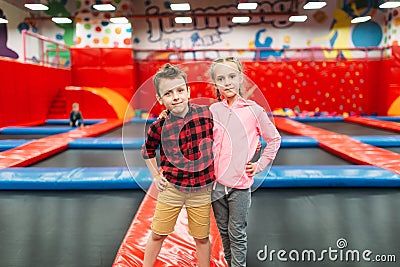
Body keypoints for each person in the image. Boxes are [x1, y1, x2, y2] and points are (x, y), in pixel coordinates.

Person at [209, 57, 281, 267]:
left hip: (240, 185)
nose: (227, 82)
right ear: (215, 83)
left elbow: (274, 138)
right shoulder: (214, 110)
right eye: (221, 78)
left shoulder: (254, 110)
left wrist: (260, 164)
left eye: (232, 76)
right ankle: (231, 263)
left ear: (240, 78)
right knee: (223, 231)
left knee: (236, 231)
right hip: (216, 185)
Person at [141, 63, 215, 267]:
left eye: (180, 90)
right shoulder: (159, 126)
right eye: (168, 93)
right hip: (172, 187)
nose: (176, 97)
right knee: (158, 233)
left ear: (189, 91)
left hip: (201, 187)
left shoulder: (207, 115)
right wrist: (156, 176)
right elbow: (147, 151)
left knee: (201, 237)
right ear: (160, 99)